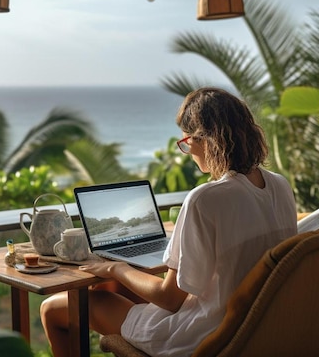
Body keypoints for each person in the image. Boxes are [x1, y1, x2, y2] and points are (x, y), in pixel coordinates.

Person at [40, 87, 297, 357]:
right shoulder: (279, 185)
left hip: (201, 337)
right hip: (256, 330)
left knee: (57, 308)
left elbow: (169, 299)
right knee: (114, 289)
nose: (189, 150)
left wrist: (116, 268)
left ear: (206, 139)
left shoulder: (205, 199)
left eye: (187, 142)